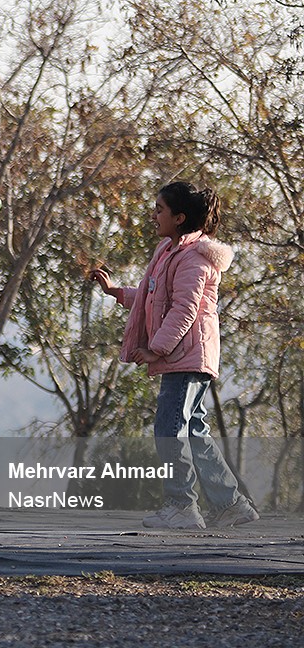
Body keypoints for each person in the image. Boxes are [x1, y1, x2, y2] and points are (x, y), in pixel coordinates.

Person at [92, 181, 259, 530]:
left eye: (160, 210)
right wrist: (116, 292)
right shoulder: (169, 252)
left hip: (187, 354)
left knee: (170, 428)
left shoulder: (195, 258)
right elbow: (154, 296)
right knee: (193, 429)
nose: (154, 215)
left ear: (180, 217)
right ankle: (230, 504)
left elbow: (183, 310)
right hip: (183, 354)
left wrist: (155, 349)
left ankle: (182, 505)